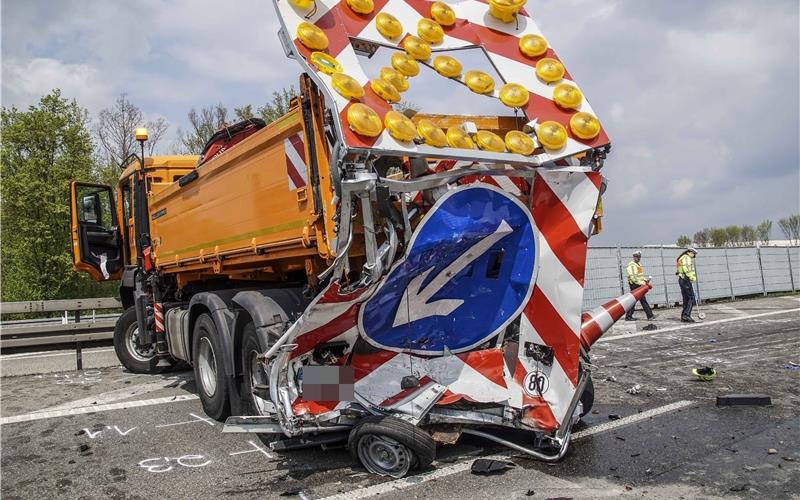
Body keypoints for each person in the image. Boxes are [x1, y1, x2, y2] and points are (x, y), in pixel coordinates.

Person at [625, 250, 655, 321]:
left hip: (638, 284)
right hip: (634, 285)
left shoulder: (639, 264)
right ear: (633, 257)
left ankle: (629, 316)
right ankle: (649, 315)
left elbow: (640, 276)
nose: (638, 258)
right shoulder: (632, 265)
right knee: (640, 300)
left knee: (637, 300)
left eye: (639, 257)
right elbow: (633, 277)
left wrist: (645, 280)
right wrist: (641, 283)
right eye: (637, 257)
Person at [677, 247, 698, 322]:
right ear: (690, 252)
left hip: (682, 279)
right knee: (691, 298)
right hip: (686, 279)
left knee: (686, 299)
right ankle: (686, 315)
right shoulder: (687, 258)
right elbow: (687, 269)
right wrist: (691, 277)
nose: (694, 256)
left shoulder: (682, 257)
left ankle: (684, 316)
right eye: (694, 254)